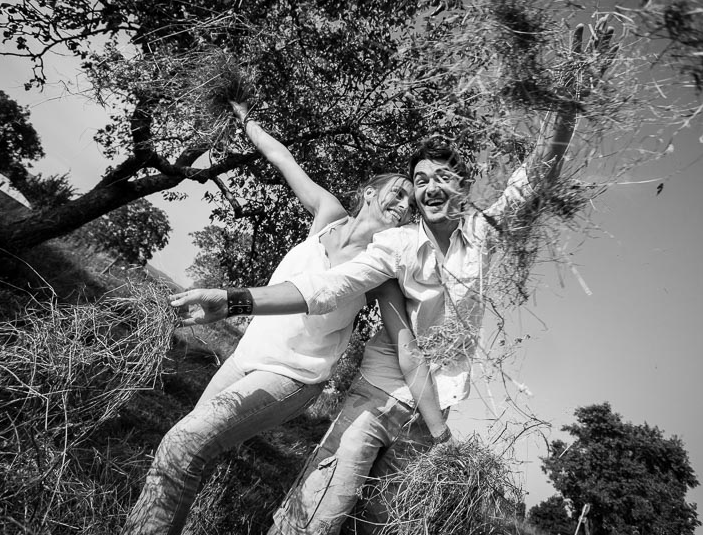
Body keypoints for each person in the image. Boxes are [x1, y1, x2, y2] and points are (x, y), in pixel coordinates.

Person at [172, 124, 573, 535]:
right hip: (377, 395)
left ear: (462, 187)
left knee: (378, 526)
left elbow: (535, 175)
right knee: (315, 518)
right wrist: (233, 300)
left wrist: (566, 107)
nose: (429, 187)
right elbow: (330, 287)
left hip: (437, 402)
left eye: (442, 177)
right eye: (420, 181)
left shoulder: (481, 234)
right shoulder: (396, 245)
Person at [121, 101, 416, 535]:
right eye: (400, 190)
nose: (405, 202)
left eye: (410, 203)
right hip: (245, 357)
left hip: (291, 377)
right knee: (182, 450)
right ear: (370, 191)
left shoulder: (382, 269)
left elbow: (405, 337)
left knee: (183, 446)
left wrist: (429, 412)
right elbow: (281, 157)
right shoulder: (328, 215)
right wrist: (243, 118)